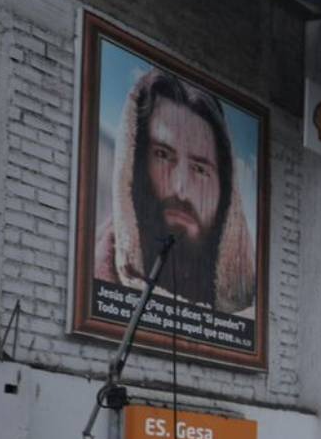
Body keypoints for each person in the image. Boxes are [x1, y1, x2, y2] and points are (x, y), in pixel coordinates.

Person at [95, 68, 257, 313]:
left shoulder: (250, 309)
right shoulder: (95, 270)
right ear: (135, 166)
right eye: (163, 155)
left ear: (225, 194)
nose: (181, 189)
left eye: (200, 169)